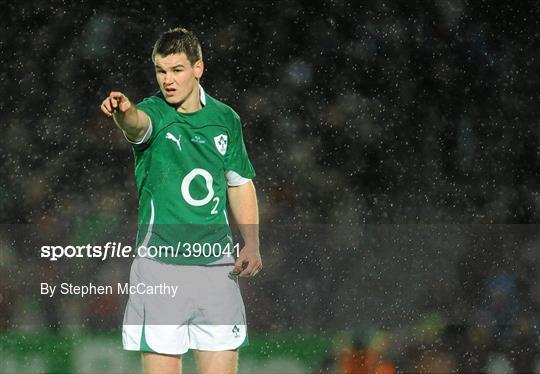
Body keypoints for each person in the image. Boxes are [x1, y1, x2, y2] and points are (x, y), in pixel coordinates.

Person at [100, 27, 262, 374]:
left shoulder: (225, 119)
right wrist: (122, 111)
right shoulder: (154, 114)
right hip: (161, 269)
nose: (167, 80)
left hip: (217, 269)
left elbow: (239, 183)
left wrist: (251, 243)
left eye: (177, 70)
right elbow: (135, 125)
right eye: (161, 70)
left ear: (198, 68)